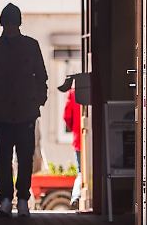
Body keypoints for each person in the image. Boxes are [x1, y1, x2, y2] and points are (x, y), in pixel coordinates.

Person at [0, 3, 48, 218]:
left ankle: (9, 199)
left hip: (7, 111)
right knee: (21, 157)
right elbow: (41, 76)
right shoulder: (30, 45)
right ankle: (20, 200)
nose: (10, 27)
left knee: (8, 157)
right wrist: (38, 100)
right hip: (22, 110)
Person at [59, 77, 83, 209]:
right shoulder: (91, 93)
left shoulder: (72, 94)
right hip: (89, 138)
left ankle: (76, 196)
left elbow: (66, 116)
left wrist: (74, 128)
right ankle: (77, 196)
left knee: (81, 171)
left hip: (78, 140)